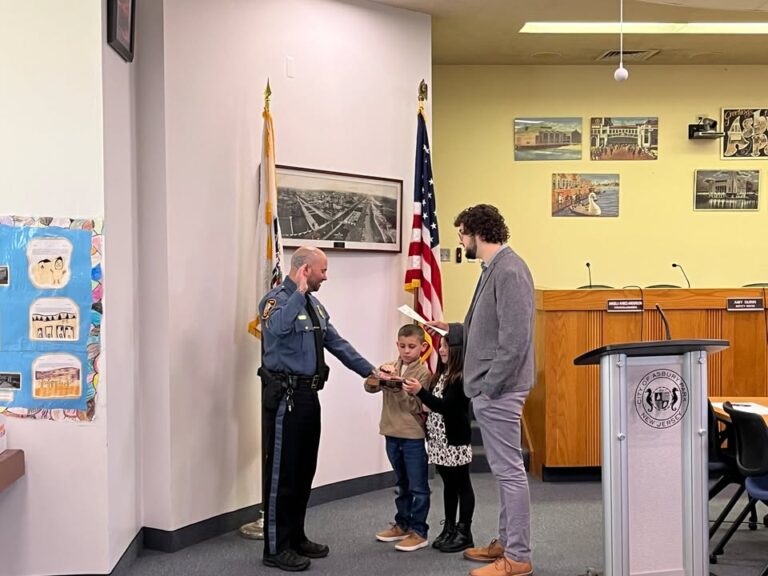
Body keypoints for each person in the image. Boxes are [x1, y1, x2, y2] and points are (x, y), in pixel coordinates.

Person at [259, 246, 386, 572]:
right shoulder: (274, 301)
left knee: (303, 471)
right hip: (284, 399)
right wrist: (298, 293)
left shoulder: (315, 306)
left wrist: (370, 370)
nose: (326, 276)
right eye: (322, 270)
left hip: (308, 398)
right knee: (281, 476)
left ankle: (296, 536)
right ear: (304, 270)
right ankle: (275, 547)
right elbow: (278, 329)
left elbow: (338, 343)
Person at [428, 204, 535, 576]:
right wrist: (452, 329)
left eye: (461, 234)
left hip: (499, 389)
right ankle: (506, 542)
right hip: (493, 387)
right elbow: (488, 329)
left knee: (509, 474)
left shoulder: (510, 269)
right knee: (506, 474)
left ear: (477, 232)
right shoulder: (494, 269)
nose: (460, 241)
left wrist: (489, 387)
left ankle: (518, 557)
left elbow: (516, 340)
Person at [402, 324, 475, 554]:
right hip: (439, 440)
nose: (441, 350)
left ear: (456, 349)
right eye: (440, 346)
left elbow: (447, 407)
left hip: (455, 440)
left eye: (445, 346)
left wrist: (420, 392)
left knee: (462, 484)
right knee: (448, 485)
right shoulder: (441, 375)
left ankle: (465, 531)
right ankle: (450, 527)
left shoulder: (460, 377)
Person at [365, 324, 432, 552]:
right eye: (402, 346)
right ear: (397, 345)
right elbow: (369, 386)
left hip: (412, 435)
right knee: (401, 483)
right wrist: (380, 376)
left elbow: (417, 407)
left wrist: (401, 390)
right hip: (391, 432)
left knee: (418, 486)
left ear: (422, 347)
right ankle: (402, 524)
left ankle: (419, 531)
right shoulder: (391, 366)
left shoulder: (423, 373)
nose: (406, 351)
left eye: (411, 347)